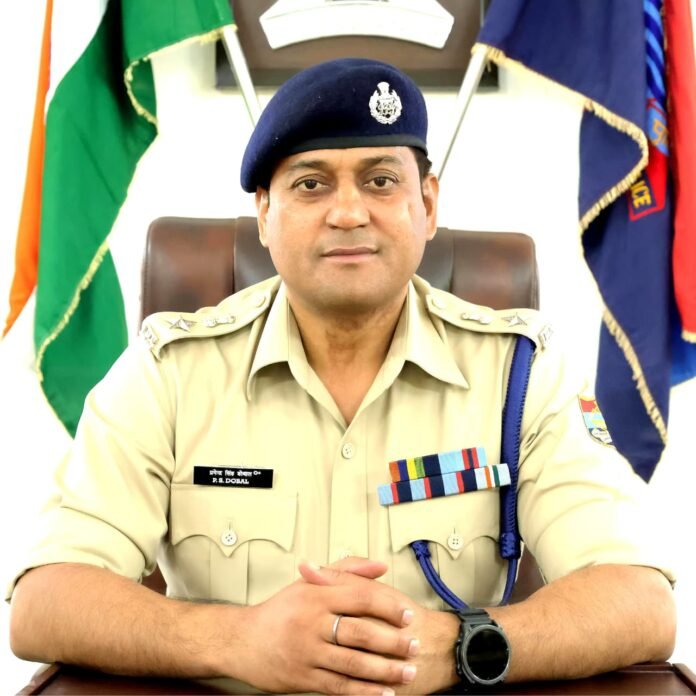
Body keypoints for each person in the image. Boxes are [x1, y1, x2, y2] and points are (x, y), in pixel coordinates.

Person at [8, 57, 675, 695]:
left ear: (427, 204)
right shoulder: (172, 371)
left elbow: (639, 601)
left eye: (380, 181)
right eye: (311, 183)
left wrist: (459, 646)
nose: (349, 212)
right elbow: (45, 601)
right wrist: (237, 640)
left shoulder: (520, 372)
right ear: (264, 213)